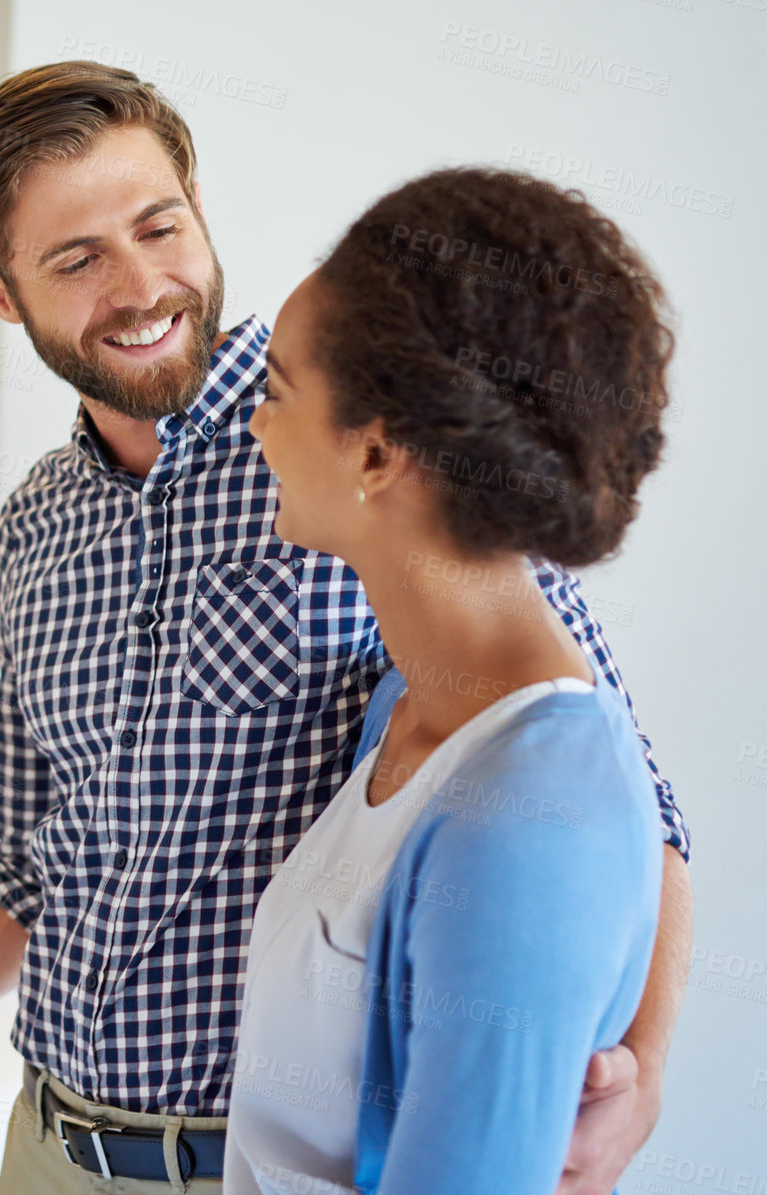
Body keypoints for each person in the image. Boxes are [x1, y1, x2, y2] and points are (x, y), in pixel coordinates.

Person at [0, 62, 693, 1195]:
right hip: (46, 1146)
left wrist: (634, 1067)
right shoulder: (35, 531)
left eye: (159, 225)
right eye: (76, 259)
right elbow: (19, 866)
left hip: (263, 1166)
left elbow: (605, 784)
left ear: (197, 203)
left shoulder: (372, 450)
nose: (143, 285)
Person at [222, 166, 675, 1194]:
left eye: (278, 395)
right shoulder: (408, 706)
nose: (255, 427)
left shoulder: (533, 813)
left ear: (377, 453)